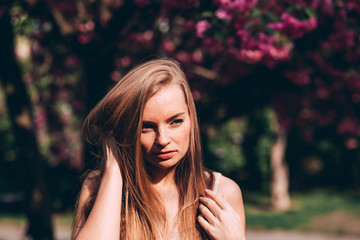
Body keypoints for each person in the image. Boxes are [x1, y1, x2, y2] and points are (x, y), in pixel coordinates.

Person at [72, 58, 246, 240]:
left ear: (191, 120)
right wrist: (114, 170)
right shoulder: (98, 187)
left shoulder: (222, 192)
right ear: (127, 130)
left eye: (175, 121)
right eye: (145, 127)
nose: (162, 139)